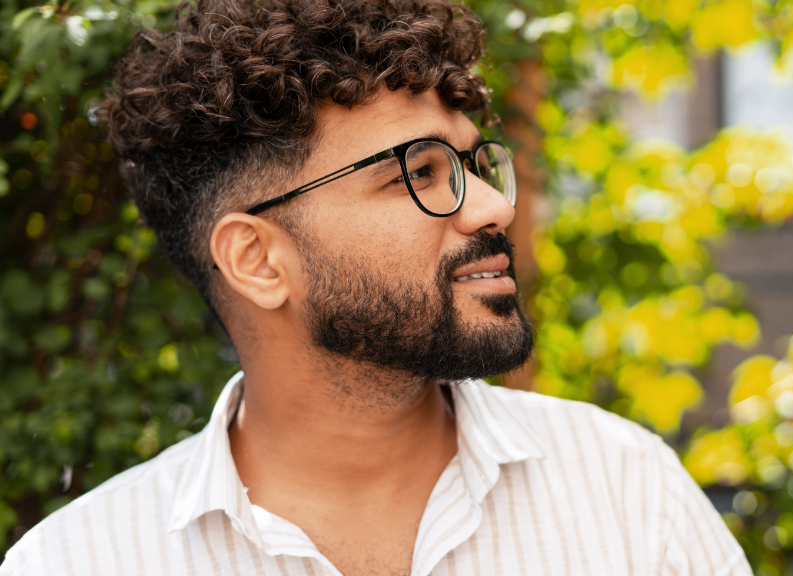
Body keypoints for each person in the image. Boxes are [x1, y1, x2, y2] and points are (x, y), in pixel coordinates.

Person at [0, 0, 751, 574]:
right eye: (419, 175)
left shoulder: (624, 493)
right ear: (258, 261)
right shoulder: (81, 561)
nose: (494, 208)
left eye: (474, 164)